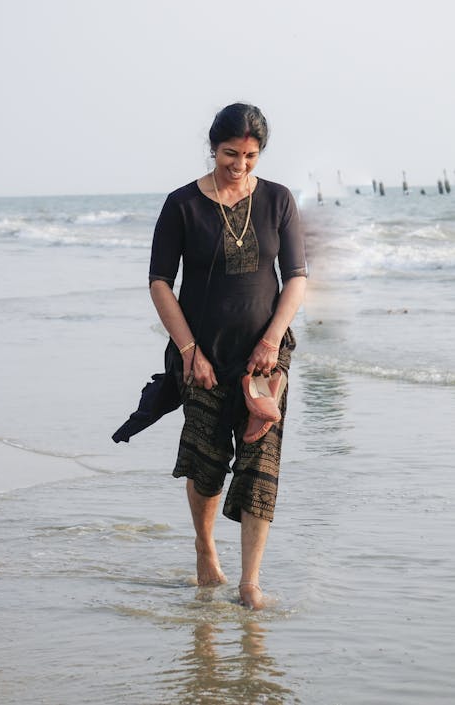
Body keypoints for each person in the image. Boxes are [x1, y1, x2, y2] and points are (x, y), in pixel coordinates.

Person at [149, 102, 306, 609]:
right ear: (213, 147)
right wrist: (189, 350)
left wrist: (271, 340)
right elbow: (159, 283)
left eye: (251, 156)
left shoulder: (279, 200)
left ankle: (250, 582)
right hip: (204, 357)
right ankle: (204, 548)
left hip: (265, 359)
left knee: (261, 466)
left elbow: (296, 278)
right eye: (230, 154)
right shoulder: (182, 205)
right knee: (207, 461)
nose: (239, 166)